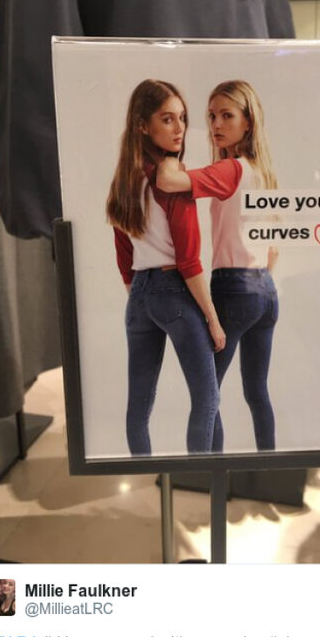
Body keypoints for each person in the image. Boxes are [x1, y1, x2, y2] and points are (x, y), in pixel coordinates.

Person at [154, 80, 279, 451]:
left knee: (208, 396)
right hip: (265, 291)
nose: (216, 125)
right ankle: (267, 462)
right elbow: (274, 248)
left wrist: (168, 150)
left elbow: (167, 180)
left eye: (227, 115)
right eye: (211, 116)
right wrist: (258, 285)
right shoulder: (263, 171)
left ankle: (214, 473)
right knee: (257, 391)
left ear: (248, 121)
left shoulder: (231, 170)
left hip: (234, 288)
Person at [106, 79, 226, 455]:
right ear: (143, 125)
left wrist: (142, 299)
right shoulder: (173, 183)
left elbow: (124, 257)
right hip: (174, 290)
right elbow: (189, 261)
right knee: (207, 398)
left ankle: (144, 475)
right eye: (167, 119)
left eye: (183, 118)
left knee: (139, 406)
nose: (180, 129)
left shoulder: (124, 181)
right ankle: (205, 476)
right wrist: (212, 317)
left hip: (139, 296)